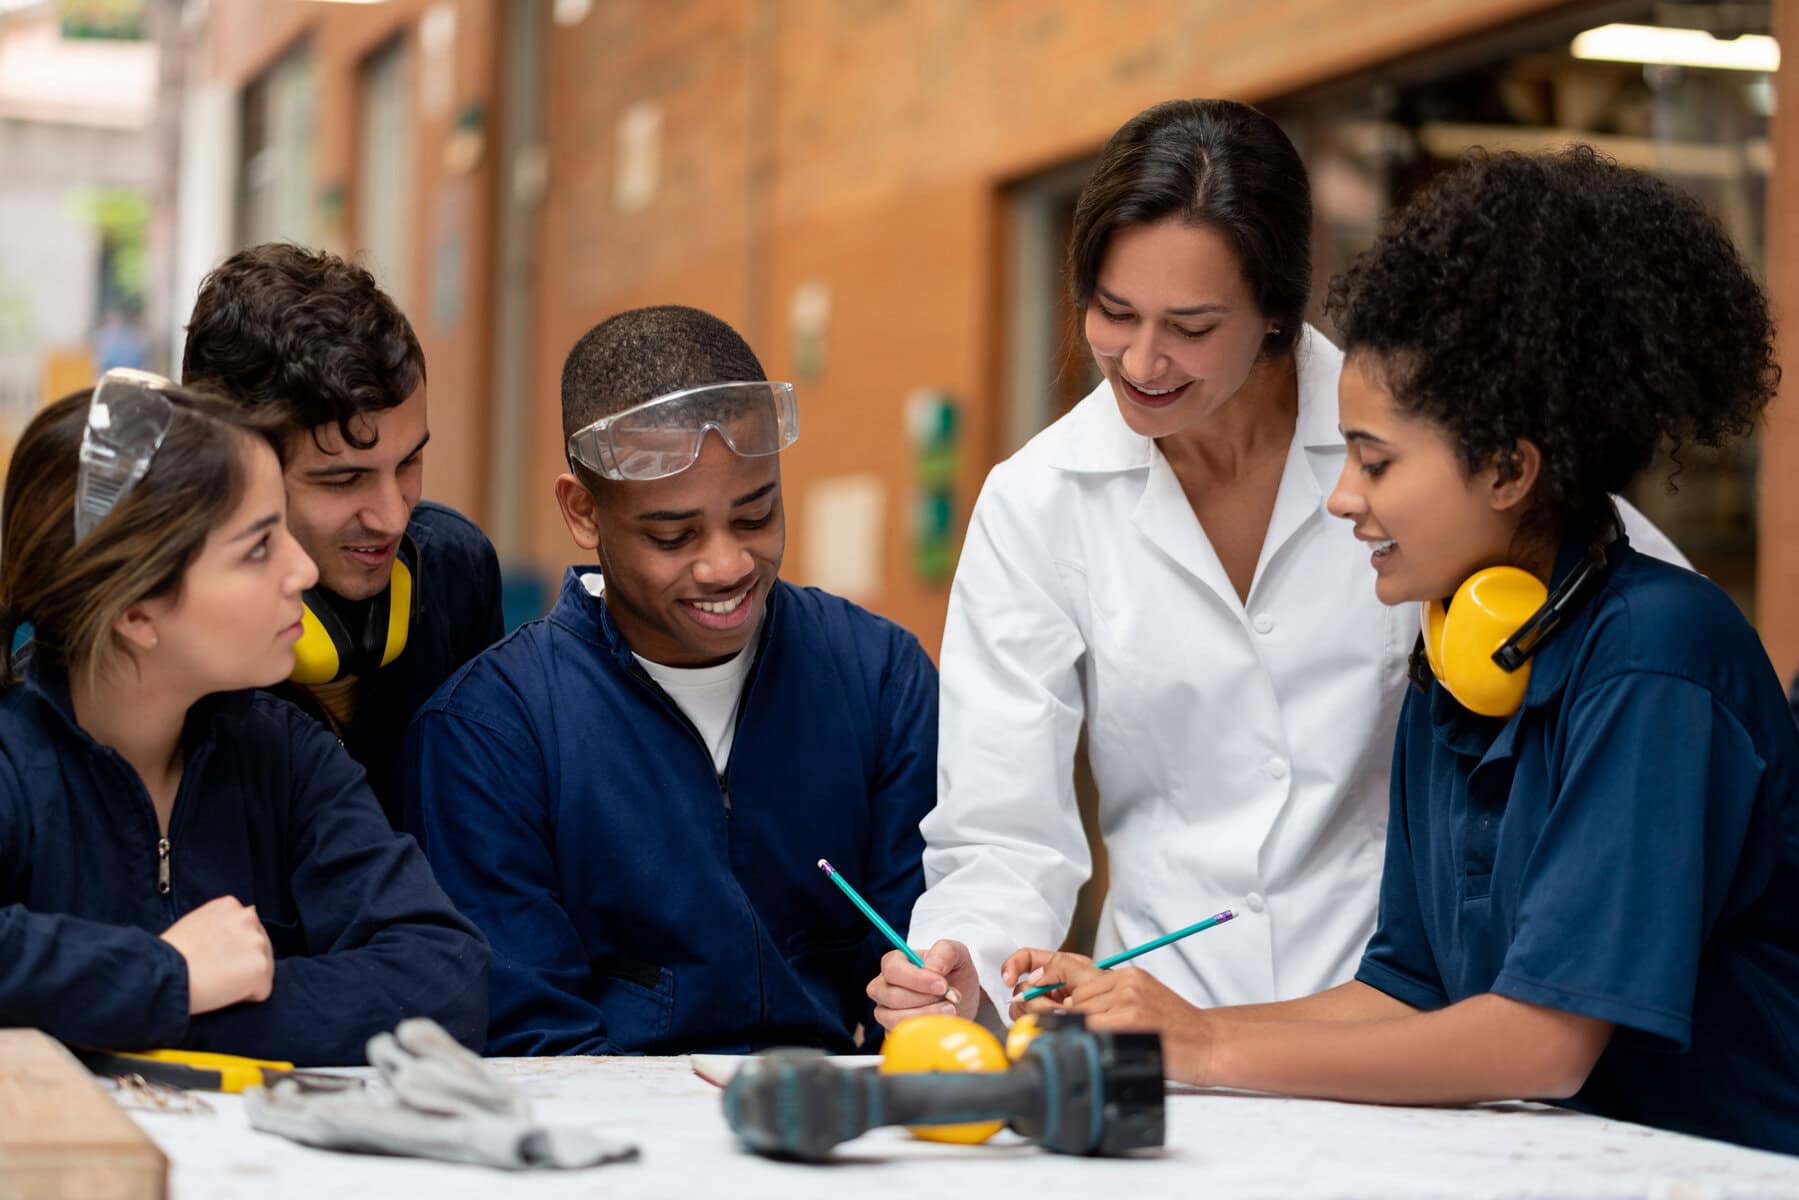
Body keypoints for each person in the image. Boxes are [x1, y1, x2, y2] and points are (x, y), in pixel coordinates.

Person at [1007, 148, 1799, 1157]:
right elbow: (1403, 989)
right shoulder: (1456, 653)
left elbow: (1542, 1046)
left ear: (1508, 469)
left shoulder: (1655, 658)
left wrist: (1202, 1046)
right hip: (1571, 1162)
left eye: (1374, 463)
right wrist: (1150, 1018)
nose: (1342, 498)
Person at [873, 99, 1686, 1027]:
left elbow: (1639, 621)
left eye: (1191, 326)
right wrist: (963, 964)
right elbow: (1002, 829)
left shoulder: (1421, 446)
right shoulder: (1036, 500)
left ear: (1273, 313)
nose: (1141, 361)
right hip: (1162, 1023)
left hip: (1404, 1022)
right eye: (1113, 312)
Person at [403, 306, 937, 1056]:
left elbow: (919, 977)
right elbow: (531, 1042)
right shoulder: (490, 731)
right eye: (672, 535)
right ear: (583, 511)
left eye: (755, 516)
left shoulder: (878, 678)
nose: (726, 566)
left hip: (829, 1118)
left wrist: (929, 1010)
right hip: (607, 1127)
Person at [0, 371, 488, 1066]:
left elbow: (444, 976)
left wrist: (150, 1016)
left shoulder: (285, 752)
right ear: (136, 612)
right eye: (259, 547)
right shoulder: (14, 760)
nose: (302, 571)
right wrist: (169, 976)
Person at [181, 244, 504, 825]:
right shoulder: (152, 639)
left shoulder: (457, 571)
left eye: (408, 463)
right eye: (344, 479)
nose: (393, 517)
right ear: (223, 468)